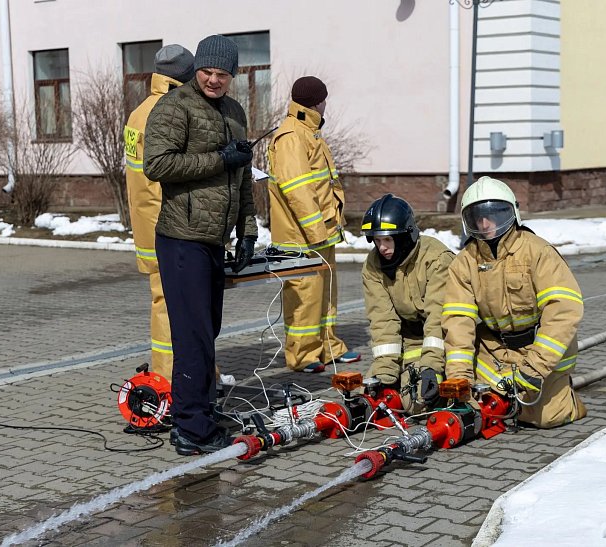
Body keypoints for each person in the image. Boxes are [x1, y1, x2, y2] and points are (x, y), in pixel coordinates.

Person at [143, 34, 257, 455]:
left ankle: (201, 411)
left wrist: (247, 231)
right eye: (207, 72)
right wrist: (219, 159)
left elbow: (243, 179)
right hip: (181, 238)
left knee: (207, 333)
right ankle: (191, 429)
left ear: (232, 75)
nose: (213, 80)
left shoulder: (234, 111)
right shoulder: (175, 106)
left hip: (214, 240)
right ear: (197, 71)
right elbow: (156, 164)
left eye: (222, 74)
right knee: (193, 336)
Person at [442, 177, 587, 428]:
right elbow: (458, 322)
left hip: (538, 350)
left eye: (493, 215)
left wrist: (536, 368)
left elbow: (563, 311)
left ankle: (564, 394)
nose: (485, 224)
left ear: (511, 214)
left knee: (547, 418)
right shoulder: (464, 263)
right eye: (478, 217)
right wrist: (459, 380)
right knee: (477, 406)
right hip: (494, 351)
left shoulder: (538, 252)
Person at [267, 76, 360, 373]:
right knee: (305, 296)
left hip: (319, 232)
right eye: (324, 99)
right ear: (318, 101)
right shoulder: (292, 136)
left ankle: (328, 346)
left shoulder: (308, 132)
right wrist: (316, 230)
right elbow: (298, 190)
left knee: (325, 294)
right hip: (302, 237)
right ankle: (303, 355)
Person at [124, 44, 195, 384]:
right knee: (175, 305)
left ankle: (180, 373)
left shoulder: (138, 113)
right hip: (171, 228)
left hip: (148, 226)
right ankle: (174, 378)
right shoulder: (170, 113)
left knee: (165, 300)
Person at [361, 194, 454, 412]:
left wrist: (431, 368)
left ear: (405, 236)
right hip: (409, 342)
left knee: (417, 402)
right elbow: (382, 320)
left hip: (442, 341)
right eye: (377, 240)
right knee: (368, 393)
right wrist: (385, 372)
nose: (381, 248)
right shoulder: (373, 265)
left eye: (387, 240)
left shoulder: (437, 259)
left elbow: (439, 318)